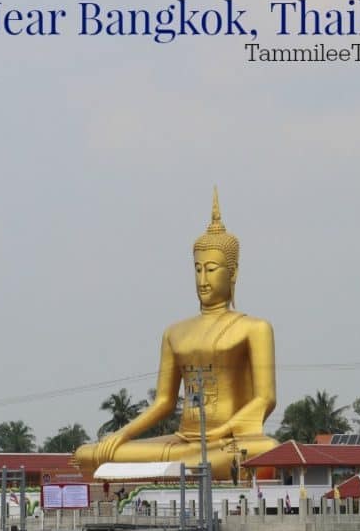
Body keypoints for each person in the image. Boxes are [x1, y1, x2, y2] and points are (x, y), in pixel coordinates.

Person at [74, 189, 278, 480]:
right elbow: (164, 403)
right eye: (197, 270)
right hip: (180, 442)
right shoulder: (175, 332)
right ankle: (188, 466)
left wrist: (219, 432)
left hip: (230, 441)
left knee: (263, 450)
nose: (203, 280)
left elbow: (265, 399)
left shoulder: (255, 328)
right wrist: (119, 435)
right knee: (90, 453)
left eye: (211, 269)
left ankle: (192, 466)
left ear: (232, 272)